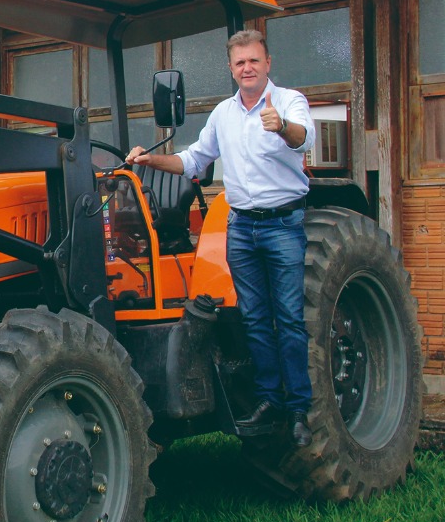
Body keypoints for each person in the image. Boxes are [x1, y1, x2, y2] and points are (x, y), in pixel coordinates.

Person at [125, 30, 315, 447]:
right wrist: (150, 160)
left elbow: (305, 137)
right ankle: (270, 400)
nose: (247, 68)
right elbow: (194, 159)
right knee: (254, 319)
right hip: (242, 227)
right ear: (231, 69)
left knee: (288, 319)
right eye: (240, 62)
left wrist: (282, 127)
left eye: (254, 60)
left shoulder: (288, 102)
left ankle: (299, 410)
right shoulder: (223, 114)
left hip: (282, 224)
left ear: (268, 63)